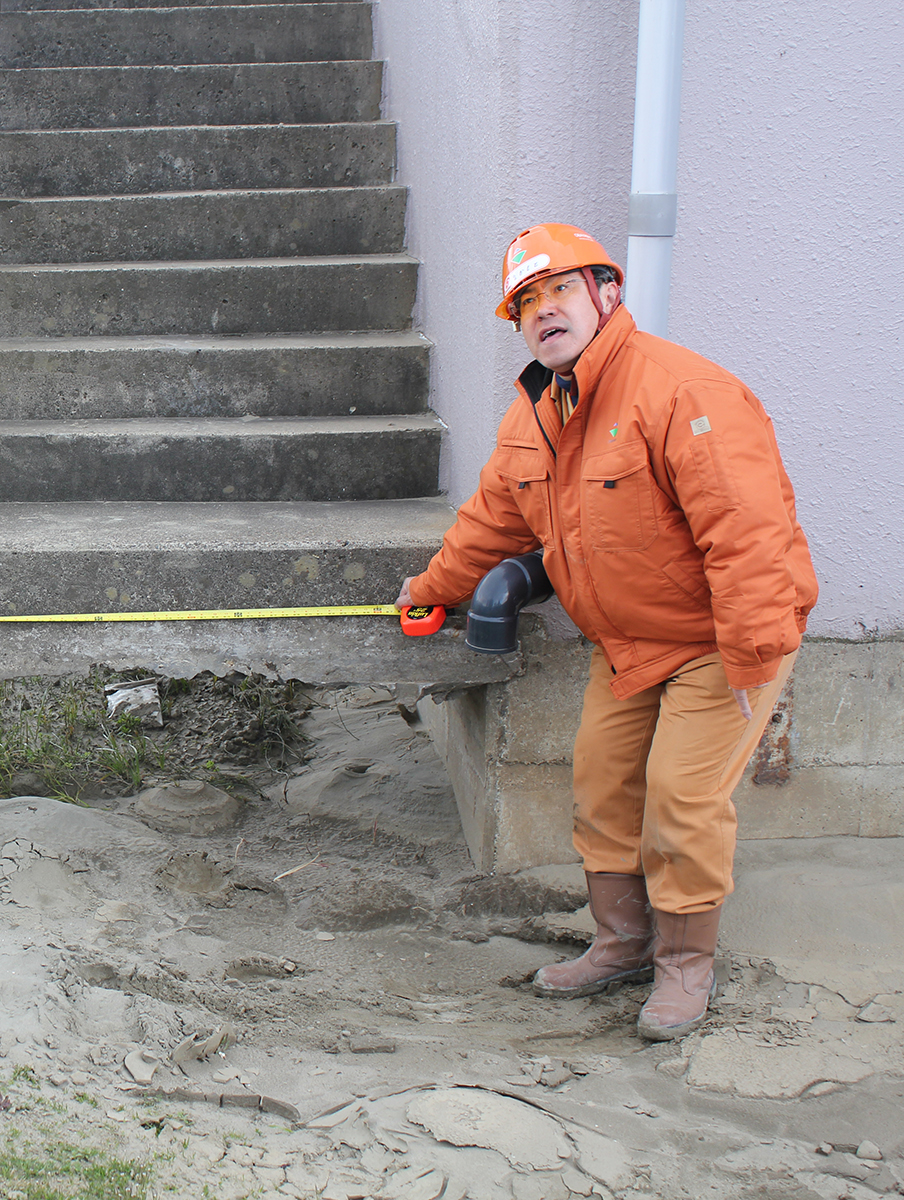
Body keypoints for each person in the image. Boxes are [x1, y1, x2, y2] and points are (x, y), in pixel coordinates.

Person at [395, 224, 816, 1040]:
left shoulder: (680, 391)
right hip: (625, 649)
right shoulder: (535, 417)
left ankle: (685, 967)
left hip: (716, 642)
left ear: (606, 294)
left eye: (559, 290)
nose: (543, 311)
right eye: (526, 302)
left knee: (683, 801)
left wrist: (753, 652)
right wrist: (431, 590)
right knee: (601, 786)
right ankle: (622, 943)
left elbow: (747, 530)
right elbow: (490, 525)